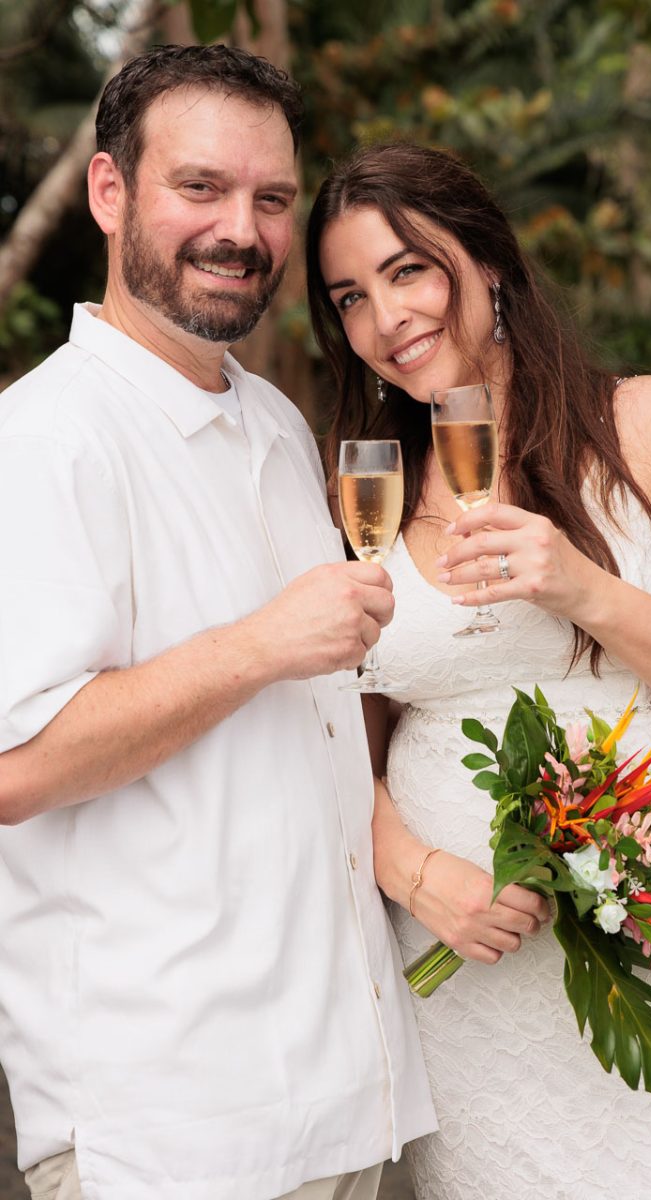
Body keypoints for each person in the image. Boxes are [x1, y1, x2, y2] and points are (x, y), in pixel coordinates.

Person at [304, 141, 651, 1200]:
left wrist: (586, 591)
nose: (383, 319)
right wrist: (413, 875)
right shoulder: (366, 489)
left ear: (486, 263)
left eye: (406, 270)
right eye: (348, 296)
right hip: (465, 991)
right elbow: (339, 741)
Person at [0, 49, 437, 1200]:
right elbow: (10, 769)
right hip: (176, 1132)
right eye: (199, 187)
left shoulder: (281, 427)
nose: (239, 229)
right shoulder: (43, 442)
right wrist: (259, 644)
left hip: (348, 1100)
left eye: (272, 198)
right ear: (109, 193)